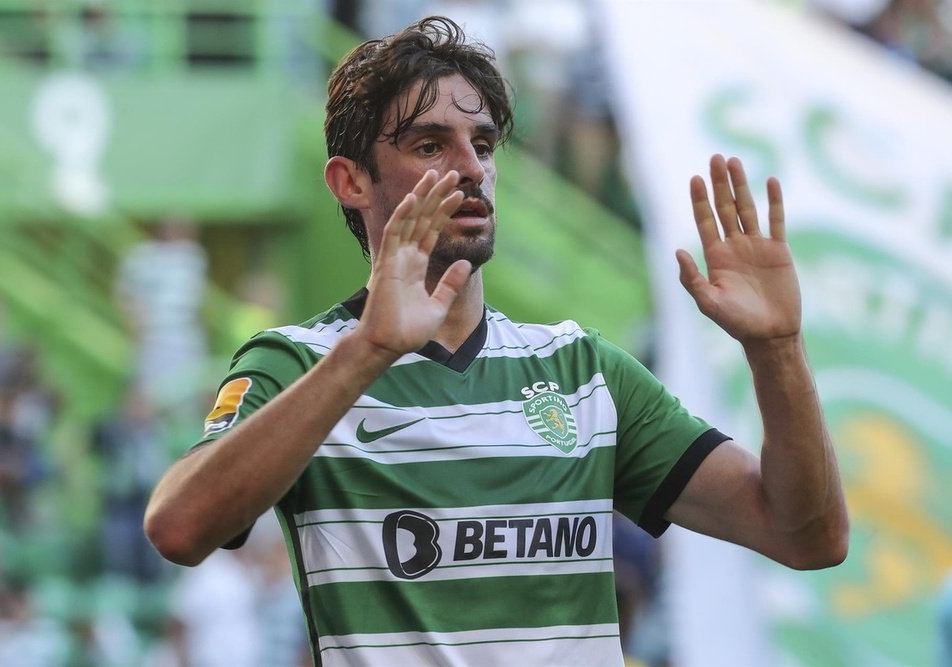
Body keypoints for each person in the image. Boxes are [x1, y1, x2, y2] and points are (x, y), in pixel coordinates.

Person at [144, 16, 849, 666]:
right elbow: (180, 528)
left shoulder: (582, 369)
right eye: (430, 144)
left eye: (481, 145)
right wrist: (368, 350)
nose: (472, 167)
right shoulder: (299, 361)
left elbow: (807, 536)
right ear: (350, 180)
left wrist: (777, 349)